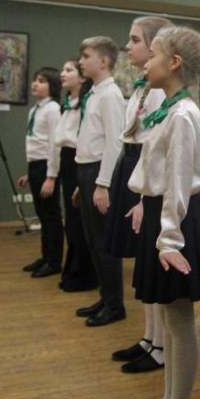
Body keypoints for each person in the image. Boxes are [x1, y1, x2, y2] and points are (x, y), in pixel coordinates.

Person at [125, 26, 200, 399]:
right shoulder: (169, 108)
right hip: (162, 215)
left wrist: (168, 237)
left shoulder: (183, 114)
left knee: (180, 320)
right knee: (169, 316)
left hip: (176, 222)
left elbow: (180, 181)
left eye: (153, 55)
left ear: (174, 63)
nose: (145, 62)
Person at [108, 16, 172, 374]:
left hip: (148, 175)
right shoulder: (142, 87)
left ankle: (161, 344)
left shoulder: (161, 91)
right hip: (133, 166)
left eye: (135, 40)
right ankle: (149, 337)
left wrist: (145, 199)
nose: (128, 46)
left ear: (155, 46)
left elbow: (158, 148)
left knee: (152, 263)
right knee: (144, 265)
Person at [73, 36, 127, 327]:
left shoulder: (110, 95)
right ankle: (105, 297)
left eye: (86, 56)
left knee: (104, 242)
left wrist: (102, 183)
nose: (81, 61)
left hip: (98, 171)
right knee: (93, 240)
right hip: (86, 170)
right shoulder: (94, 93)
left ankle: (115, 305)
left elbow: (113, 143)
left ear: (104, 61)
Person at [17, 67, 64, 278]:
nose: (35, 84)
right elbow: (36, 142)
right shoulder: (35, 109)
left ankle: (54, 262)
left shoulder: (53, 109)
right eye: (35, 80)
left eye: (42, 81)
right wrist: (30, 173)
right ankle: (45, 257)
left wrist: (51, 177)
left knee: (51, 216)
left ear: (52, 86)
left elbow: (55, 144)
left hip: (47, 167)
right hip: (36, 166)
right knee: (42, 216)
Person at [56, 59, 98, 292]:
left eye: (69, 70)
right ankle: (72, 268)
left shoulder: (86, 103)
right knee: (71, 221)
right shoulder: (67, 104)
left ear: (82, 78)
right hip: (66, 158)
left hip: (78, 158)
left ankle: (84, 273)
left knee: (79, 220)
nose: (63, 74)